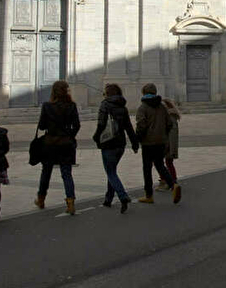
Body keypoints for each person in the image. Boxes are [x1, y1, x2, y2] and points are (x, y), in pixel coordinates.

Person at [32, 80, 80, 215]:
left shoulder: (47, 106)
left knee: (46, 172)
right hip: (66, 143)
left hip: (50, 143)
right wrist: (70, 136)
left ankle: (41, 199)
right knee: (67, 174)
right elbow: (77, 125)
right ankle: (70, 202)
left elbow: (41, 126)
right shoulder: (72, 106)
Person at [91, 83, 139, 213]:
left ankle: (123, 196)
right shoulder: (122, 106)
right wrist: (135, 144)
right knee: (112, 171)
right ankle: (108, 199)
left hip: (108, 143)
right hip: (120, 144)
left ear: (107, 93)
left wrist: (96, 137)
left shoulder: (105, 104)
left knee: (111, 172)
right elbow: (128, 127)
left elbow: (101, 124)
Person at [133, 83, 180, 205]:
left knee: (147, 169)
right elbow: (169, 124)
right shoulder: (162, 107)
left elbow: (141, 125)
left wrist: (138, 139)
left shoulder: (142, 108)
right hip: (161, 142)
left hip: (148, 143)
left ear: (144, 93)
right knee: (160, 165)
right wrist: (163, 135)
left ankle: (149, 195)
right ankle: (173, 185)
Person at [156, 96, 182, 193]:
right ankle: (169, 181)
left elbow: (172, 135)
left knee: (164, 163)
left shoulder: (170, 117)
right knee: (165, 163)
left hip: (168, 145)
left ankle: (169, 182)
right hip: (166, 144)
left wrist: (171, 148)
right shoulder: (168, 116)